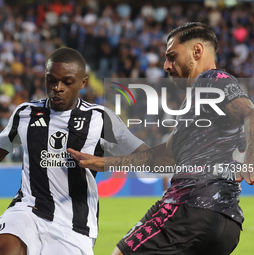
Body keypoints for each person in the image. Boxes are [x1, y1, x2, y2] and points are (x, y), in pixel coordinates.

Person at [0, 47, 148, 255]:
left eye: (67, 82)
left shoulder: (100, 119)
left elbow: (151, 158)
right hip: (27, 211)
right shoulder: (26, 112)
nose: (57, 88)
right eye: (51, 80)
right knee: (3, 249)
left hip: (74, 226)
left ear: (83, 82)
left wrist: (105, 163)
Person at [68, 22, 254, 255]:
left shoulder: (212, 79)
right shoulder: (200, 98)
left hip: (188, 208)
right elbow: (165, 156)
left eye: (172, 56)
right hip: (226, 223)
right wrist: (103, 163)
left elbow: (250, 112)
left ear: (197, 51)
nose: (166, 66)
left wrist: (251, 156)